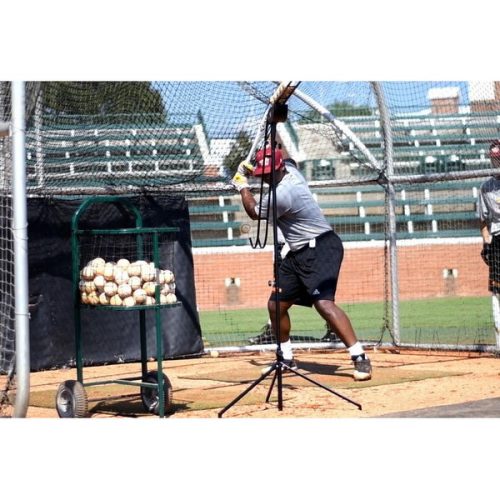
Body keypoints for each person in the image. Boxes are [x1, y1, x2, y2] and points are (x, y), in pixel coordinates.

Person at [231, 146, 372, 381]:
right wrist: (273, 121)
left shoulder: (284, 194)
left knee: (324, 304)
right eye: (262, 173)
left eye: (268, 173)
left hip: (322, 247)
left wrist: (241, 185)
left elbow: (254, 211)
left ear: (277, 169)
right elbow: (289, 157)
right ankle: (286, 358)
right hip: (297, 252)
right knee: (276, 306)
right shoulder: (290, 169)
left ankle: (359, 357)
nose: (265, 177)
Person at [478, 139, 500, 354]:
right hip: (498, 238)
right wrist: (486, 243)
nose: (496, 162)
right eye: (494, 159)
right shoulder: (487, 187)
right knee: (497, 289)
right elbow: (483, 220)